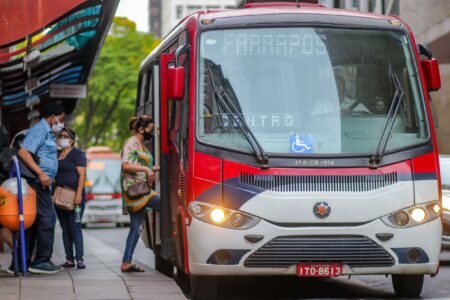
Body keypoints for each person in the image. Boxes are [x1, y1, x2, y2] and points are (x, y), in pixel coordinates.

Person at [11, 102, 66, 274]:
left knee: (32, 223)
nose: (61, 123)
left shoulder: (47, 132)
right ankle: (42, 260)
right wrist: (41, 174)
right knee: (48, 219)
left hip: (41, 183)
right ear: (52, 117)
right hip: (37, 182)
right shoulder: (40, 130)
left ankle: (21, 262)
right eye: (60, 119)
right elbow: (24, 152)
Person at [120, 115, 160, 272]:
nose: (152, 134)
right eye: (150, 131)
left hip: (142, 189)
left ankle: (126, 262)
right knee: (166, 204)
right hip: (137, 190)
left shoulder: (141, 146)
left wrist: (156, 168)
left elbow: (142, 164)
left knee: (136, 227)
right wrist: (147, 169)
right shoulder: (131, 143)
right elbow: (126, 166)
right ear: (141, 130)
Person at [54, 126, 87, 269]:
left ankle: (79, 258)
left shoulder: (78, 154)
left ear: (72, 140)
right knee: (65, 228)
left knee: (75, 227)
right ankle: (69, 259)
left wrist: (79, 195)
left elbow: (82, 176)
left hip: (75, 196)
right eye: (60, 136)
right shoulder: (56, 154)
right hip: (60, 196)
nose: (62, 138)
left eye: (65, 136)